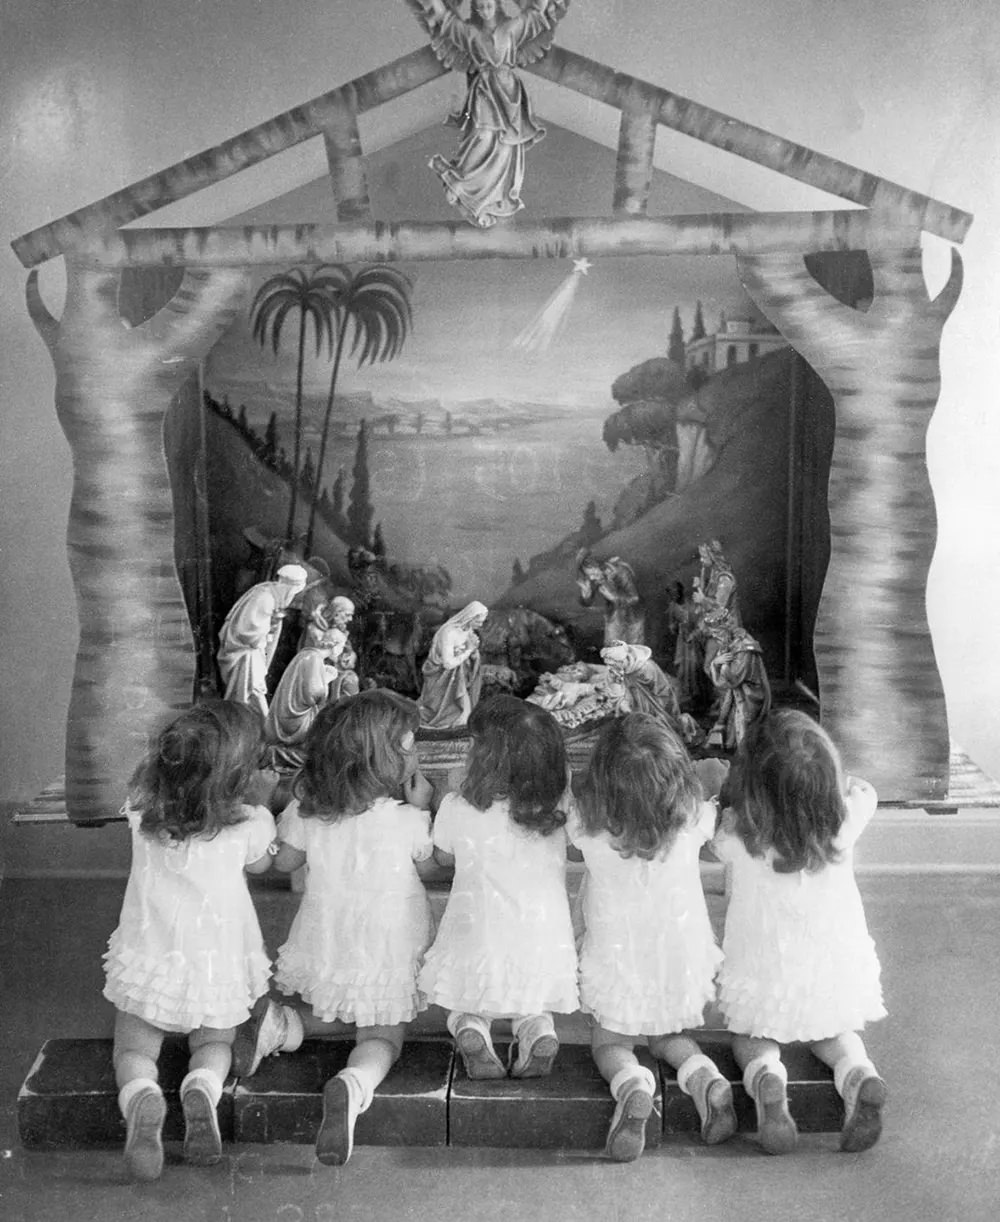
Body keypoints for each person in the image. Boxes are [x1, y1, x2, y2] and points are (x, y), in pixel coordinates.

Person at [231, 690, 440, 1167]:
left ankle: (280, 1026)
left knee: (350, 1008)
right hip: (388, 947)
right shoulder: (407, 821)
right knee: (383, 1034)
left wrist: (263, 810)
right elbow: (433, 871)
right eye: (410, 745)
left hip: (329, 944)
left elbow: (280, 861)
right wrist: (425, 809)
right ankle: (354, 1083)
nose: (418, 753)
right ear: (384, 762)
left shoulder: (306, 815)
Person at [102, 701, 277, 1181]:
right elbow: (263, 864)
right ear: (242, 774)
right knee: (215, 1042)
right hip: (217, 968)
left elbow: (153, 789)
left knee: (133, 1050)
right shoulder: (249, 823)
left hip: (151, 962)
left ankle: (141, 1094)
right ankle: (202, 1084)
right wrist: (261, 802)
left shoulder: (142, 809)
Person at [712, 708, 887, 1155]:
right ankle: (857, 1074)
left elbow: (713, 832)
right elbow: (866, 791)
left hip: (764, 973)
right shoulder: (845, 822)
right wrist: (843, 787)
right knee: (836, 1034)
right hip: (833, 974)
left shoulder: (739, 836)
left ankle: (768, 1078)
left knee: (751, 1040)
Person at [568, 713, 735, 1161]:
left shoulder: (585, 819)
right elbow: (713, 780)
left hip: (615, 954)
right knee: (668, 1034)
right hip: (680, 954)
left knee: (610, 1042)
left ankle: (633, 1085)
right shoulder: (695, 816)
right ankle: (702, 1075)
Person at [418, 694, 578, 1078]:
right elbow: (576, 850)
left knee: (465, 1000)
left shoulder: (460, 806)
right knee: (533, 1003)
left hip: (477, 934)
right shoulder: (559, 807)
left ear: (482, 756)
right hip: (543, 940)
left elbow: (442, 858)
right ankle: (537, 1029)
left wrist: (430, 802)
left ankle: (470, 1026)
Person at [416, 0, 569, 228]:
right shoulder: (470, 33)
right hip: (485, 90)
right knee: (484, 135)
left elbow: (536, 14)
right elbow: (446, 21)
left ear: (497, 5)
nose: (486, 10)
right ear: (476, 9)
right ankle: (462, 182)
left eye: (489, 5)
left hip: (509, 92)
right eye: (481, 6)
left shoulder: (511, 28)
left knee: (506, 145)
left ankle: (490, 199)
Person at [216, 564, 308, 717]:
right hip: (245, 653)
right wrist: (269, 631)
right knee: (254, 688)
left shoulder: (269, 591)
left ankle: (253, 719)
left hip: (251, 651)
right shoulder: (265, 599)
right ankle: (265, 724)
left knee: (252, 689)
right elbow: (247, 631)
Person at [263, 645, 343, 771]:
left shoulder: (306, 655)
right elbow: (314, 692)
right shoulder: (314, 658)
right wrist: (327, 679)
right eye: (342, 646)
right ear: (335, 645)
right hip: (297, 716)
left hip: (290, 710)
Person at [703, 614, 771, 750]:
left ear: (726, 628)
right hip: (737, 692)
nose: (716, 638)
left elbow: (732, 681)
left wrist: (720, 667)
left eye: (717, 633)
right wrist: (715, 663)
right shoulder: (727, 641)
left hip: (750, 694)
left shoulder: (745, 648)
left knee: (745, 732)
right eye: (713, 634)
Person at [417, 600, 489, 728]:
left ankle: (462, 715)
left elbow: (469, 652)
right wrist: (469, 650)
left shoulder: (468, 630)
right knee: (458, 675)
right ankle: (451, 716)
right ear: (470, 617)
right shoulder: (449, 632)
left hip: (457, 676)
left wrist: (473, 654)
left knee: (460, 678)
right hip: (441, 676)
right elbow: (448, 664)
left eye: (482, 621)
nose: (480, 625)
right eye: (478, 621)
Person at [576, 551, 646, 647]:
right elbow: (587, 602)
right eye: (589, 575)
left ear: (600, 566)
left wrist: (614, 597)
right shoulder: (598, 577)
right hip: (614, 615)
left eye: (593, 573)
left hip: (632, 616)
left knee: (633, 648)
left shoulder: (621, 571)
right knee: (612, 648)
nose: (592, 578)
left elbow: (634, 598)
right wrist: (587, 595)